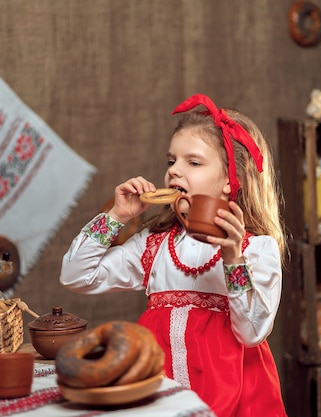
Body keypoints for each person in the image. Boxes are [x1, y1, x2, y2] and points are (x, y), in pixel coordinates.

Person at [59, 93, 288, 417]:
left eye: (193, 162)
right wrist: (117, 216)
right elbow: (75, 276)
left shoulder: (256, 249)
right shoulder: (153, 246)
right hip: (159, 398)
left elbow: (252, 333)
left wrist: (232, 256)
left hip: (235, 399)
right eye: (171, 161)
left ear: (229, 180)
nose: (174, 172)